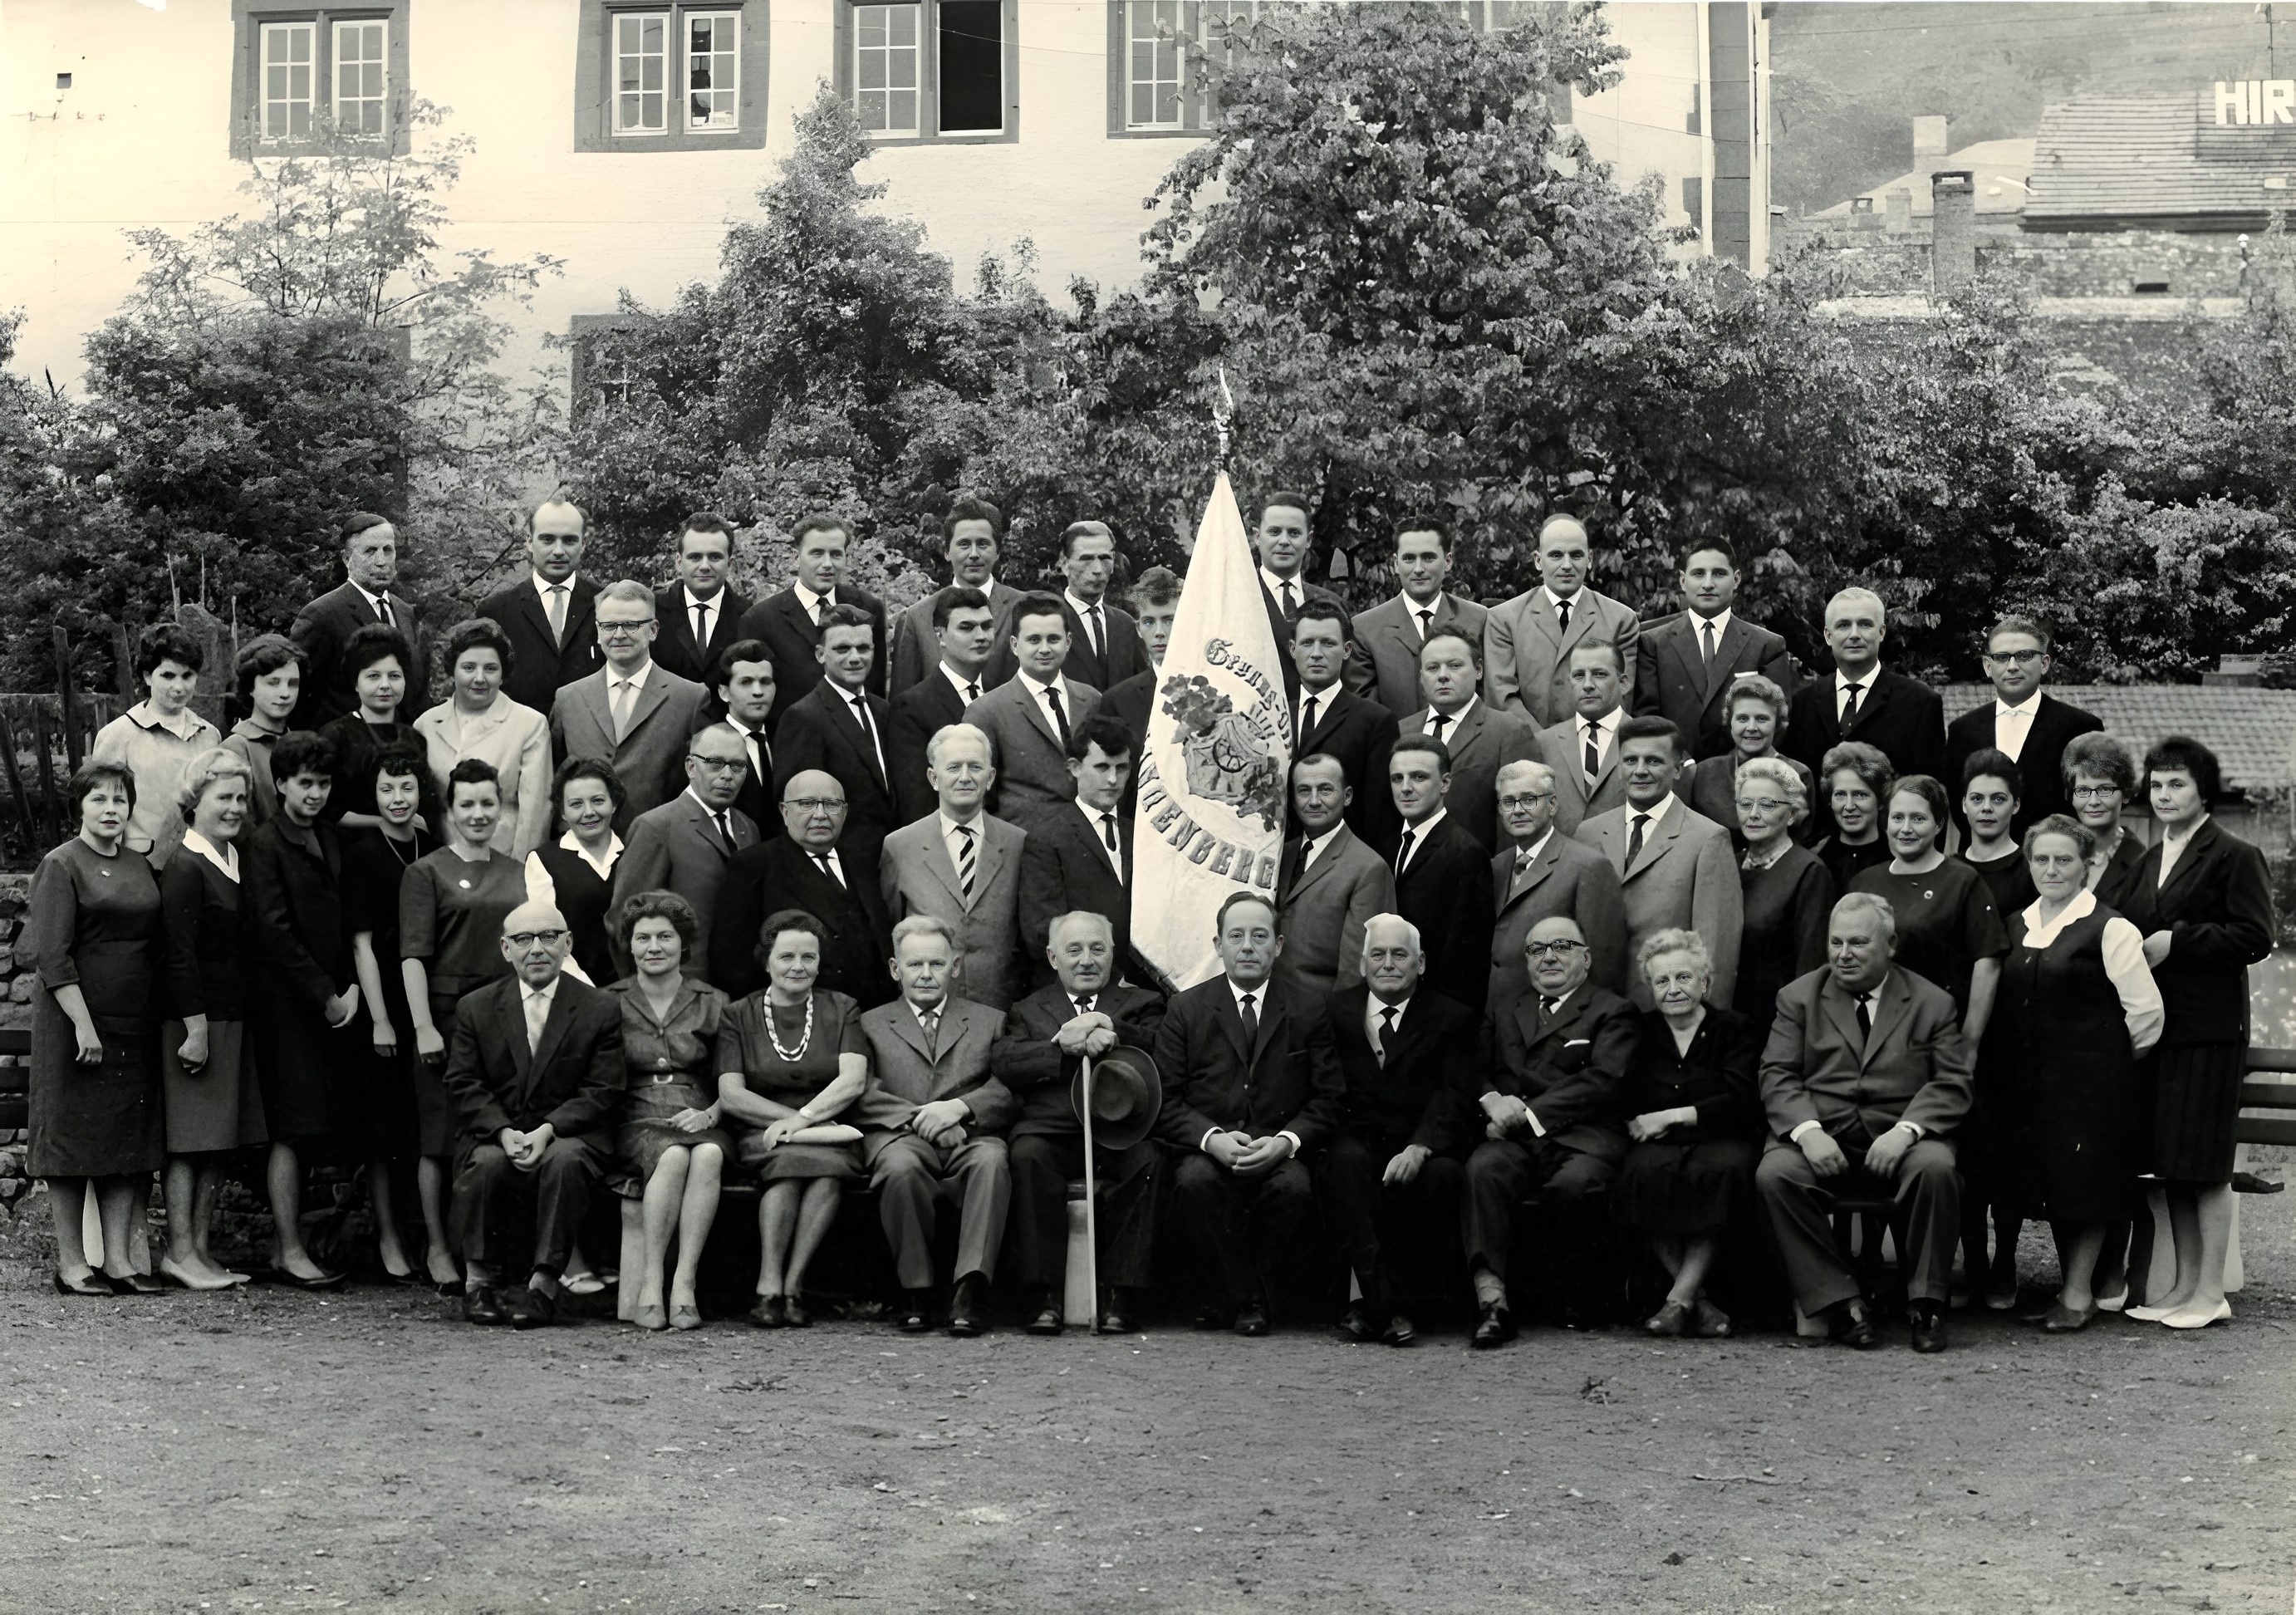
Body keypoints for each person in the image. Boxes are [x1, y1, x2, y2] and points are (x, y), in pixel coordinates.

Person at [1755, 892, 1973, 1354]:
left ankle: (1926, 1303)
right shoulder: (1798, 997)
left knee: (1936, 1168)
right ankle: (1841, 1301)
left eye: (1858, 943)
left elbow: (1953, 1082)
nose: (1843, 954)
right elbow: (1777, 1073)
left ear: (1890, 945)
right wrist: (1808, 1133)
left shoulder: (1932, 1002)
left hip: (1900, 1136)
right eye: (1835, 942)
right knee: (1776, 1173)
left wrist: (1907, 1131)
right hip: (1823, 1133)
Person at [2119, 737, 2276, 1330]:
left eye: (2177, 784)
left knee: (2206, 1166)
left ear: (2203, 790)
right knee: (2174, 1167)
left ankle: (2212, 1292)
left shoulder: (2235, 853)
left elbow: (2255, 936)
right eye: (2157, 785)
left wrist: (2178, 942)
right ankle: (2184, 1288)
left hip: (2210, 1032)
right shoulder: (2149, 858)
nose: (2164, 795)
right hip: (2162, 1030)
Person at [1984, 815, 2163, 1332]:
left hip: (2090, 1089)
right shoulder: (2015, 924)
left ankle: (2078, 1294)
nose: (2051, 869)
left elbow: (2146, 1014)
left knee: (2084, 1184)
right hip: (2023, 1086)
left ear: (2087, 865)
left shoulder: (2111, 928)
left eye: (2064, 860)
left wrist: (2103, 1064)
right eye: (2041, 859)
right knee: (2040, 1180)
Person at [1152, 892, 1345, 1334]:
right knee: (1193, 1183)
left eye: (1260, 936)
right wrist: (1212, 1139)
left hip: (1276, 1146)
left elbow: (1329, 1098)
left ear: (1278, 946)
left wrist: (1286, 1142)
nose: (1247, 947)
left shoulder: (1309, 1006)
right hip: (1210, 1147)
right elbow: (1166, 1099)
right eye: (1235, 936)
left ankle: (1233, 1297)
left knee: (1293, 1189)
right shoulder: (1186, 1008)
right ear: (1217, 945)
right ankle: (1249, 1300)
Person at [440, 900, 626, 1329]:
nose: (537, 949)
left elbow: (603, 1089)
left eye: (548, 937)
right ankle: (478, 1283)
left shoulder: (598, 1007)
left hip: (569, 1133)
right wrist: (502, 1131)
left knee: (565, 1161)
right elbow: (464, 1083)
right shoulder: (476, 1007)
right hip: (496, 1132)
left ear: (568, 944)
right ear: (506, 949)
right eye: (524, 939)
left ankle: (542, 1287)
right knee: (485, 1165)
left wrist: (549, 1129)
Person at [1458, 915, 1638, 1348]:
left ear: (1586, 958)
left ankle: (1579, 1298)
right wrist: (1491, 1099)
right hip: (1515, 1142)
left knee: (1574, 1185)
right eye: (1537, 950)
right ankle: (1492, 1302)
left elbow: (1604, 1081)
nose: (1549, 957)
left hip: (1583, 1138)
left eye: (1561, 946)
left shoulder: (1613, 1010)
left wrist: (1527, 1113)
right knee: (1482, 1169)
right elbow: (1470, 1065)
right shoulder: (1507, 1008)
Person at [992, 911, 1168, 1335]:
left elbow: (1164, 1047)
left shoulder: (1143, 1003)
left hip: (1122, 1132)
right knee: (1027, 1156)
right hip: (1051, 1131)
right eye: (1074, 950)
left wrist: (1113, 1029)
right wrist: (1061, 1048)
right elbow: (1006, 1060)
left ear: (1112, 954)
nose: (1086, 960)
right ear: (1053, 958)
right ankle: (1045, 1296)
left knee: (1150, 1161)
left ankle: (1119, 1295)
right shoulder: (1028, 1009)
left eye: (1097, 949)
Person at [27, 762, 166, 1295]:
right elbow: (52, 956)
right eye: (99, 800)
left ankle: (119, 1263)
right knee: (71, 1145)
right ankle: (72, 1265)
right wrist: (84, 1026)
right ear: (79, 808)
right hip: (76, 1025)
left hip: (133, 1022)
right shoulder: (61, 864)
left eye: (120, 800)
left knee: (125, 1142)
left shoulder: (138, 865)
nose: (111, 810)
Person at [400, 759, 528, 1289]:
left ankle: (494, 1250)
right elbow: (413, 956)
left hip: (505, 1020)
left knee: (496, 1132)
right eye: (467, 804)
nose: (478, 814)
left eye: (487, 803)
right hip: (446, 1019)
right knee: (439, 1137)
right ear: (450, 812)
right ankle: (438, 1247)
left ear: (501, 808)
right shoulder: (425, 872)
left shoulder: (519, 871)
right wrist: (423, 1026)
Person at [1320, 914, 1474, 1347]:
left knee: (1442, 1175)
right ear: (1362, 964)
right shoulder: (1334, 1011)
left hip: (1416, 1141)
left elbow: (1453, 1093)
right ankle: (1390, 1306)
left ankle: (1369, 1308)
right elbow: (1326, 1087)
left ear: (1420, 963)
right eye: (1378, 954)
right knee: (1345, 1164)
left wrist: (1420, 1147)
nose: (1388, 964)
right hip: (1356, 1139)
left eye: (1399, 955)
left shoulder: (1450, 1016)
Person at [857, 915, 1017, 1335]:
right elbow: (863, 1090)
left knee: (992, 1162)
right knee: (899, 1169)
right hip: (901, 1136)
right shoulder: (869, 1023)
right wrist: (927, 1119)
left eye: (937, 964)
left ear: (955, 967)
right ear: (896, 969)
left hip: (971, 1134)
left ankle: (969, 1289)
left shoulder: (991, 1020)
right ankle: (917, 1290)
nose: (926, 974)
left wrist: (961, 1109)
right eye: (915, 965)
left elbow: (1007, 1086)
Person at [241, 732, 361, 1289]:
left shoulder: (329, 835)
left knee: (314, 1124)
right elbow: (273, 932)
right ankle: (288, 1249)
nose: (315, 793)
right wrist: (325, 995)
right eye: (305, 783)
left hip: (329, 1002)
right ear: (282, 784)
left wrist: (349, 988)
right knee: (293, 1126)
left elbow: (340, 922)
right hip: (287, 1007)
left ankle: (286, 1245)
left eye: (324, 783)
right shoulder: (265, 843)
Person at [715, 909, 871, 1328]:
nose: (798, 966)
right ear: (766, 961)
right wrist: (798, 1123)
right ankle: (769, 1283)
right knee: (785, 1166)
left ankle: (793, 1285)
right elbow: (731, 1095)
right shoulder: (738, 1014)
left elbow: (853, 1080)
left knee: (827, 1173)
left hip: (828, 1124)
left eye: (809, 957)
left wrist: (805, 1120)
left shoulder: (843, 1008)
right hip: (764, 1126)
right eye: (786, 956)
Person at [155, 749, 268, 1289]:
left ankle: (199, 1251)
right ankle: (179, 1252)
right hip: (194, 1022)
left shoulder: (235, 857)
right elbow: (178, 955)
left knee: (217, 1141)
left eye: (241, 798)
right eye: (223, 797)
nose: (235, 808)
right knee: (189, 1141)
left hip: (232, 1018)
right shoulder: (184, 865)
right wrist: (196, 1030)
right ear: (194, 802)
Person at [1616, 930, 1764, 1338]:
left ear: (1705, 982)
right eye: (1661, 981)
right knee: (1640, 1174)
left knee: (1722, 1172)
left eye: (1683, 977)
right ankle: (1698, 1302)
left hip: (1722, 1137)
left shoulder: (1736, 1029)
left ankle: (1678, 1300)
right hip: (1658, 1144)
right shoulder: (1639, 1032)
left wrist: (1672, 1115)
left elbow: (1741, 1098)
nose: (1673, 989)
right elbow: (1628, 1096)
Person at [607, 891, 733, 1333]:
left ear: (684, 943)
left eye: (665, 936)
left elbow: (734, 1075)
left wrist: (711, 1114)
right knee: (675, 1154)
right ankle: (651, 1282)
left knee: (709, 1153)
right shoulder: (609, 1001)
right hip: (634, 1116)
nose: (654, 947)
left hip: (702, 1114)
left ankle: (684, 1282)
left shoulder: (714, 1001)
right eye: (643, 938)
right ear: (630, 945)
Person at [337, 742, 438, 1281]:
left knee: (421, 1124)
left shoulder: (431, 844)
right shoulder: (362, 854)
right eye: (386, 789)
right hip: (385, 1000)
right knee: (381, 1131)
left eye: (406, 787)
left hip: (428, 998)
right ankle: (388, 1235)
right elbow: (362, 945)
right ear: (373, 795)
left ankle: (427, 1233)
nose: (398, 798)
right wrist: (379, 1018)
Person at [1576, 718, 1744, 1009]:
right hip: (1595, 1009)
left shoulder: (1708, 839)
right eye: (1630, 760)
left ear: (1678, 770)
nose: (1640, 770)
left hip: (1667, 1010)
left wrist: (1701, 1025)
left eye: (1654, 761)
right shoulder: (1588, 833)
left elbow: (1716, 950)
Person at [712, 771, 895, 1006]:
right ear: (785, 812)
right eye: (806, 804)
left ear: (844, 812)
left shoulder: (863, 861)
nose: (820, 815)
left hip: (874, 1010)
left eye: (832, 804)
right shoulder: (754, 865)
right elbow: (732, 961)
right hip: (801, 1013)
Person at [1849, 774, 2008, 1042]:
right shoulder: (1863, 882)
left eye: (1918, 819)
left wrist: (1969, 1043)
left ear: (1939, 824)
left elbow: (1988, 963)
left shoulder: (1962, 880)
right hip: (1867, 1033)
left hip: (1935, 1034)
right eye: (1897, 818)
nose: (1906, 828)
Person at [880, 724, 1028, 1011]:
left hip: (1000, 1005)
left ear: (990, 778)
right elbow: (890, 932)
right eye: (954, 767)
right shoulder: (899, 846)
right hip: (927, 1007)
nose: (965, 777)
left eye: (975, 767)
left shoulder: (1016, 842)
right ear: (934, 778)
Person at [550, 581, 711, 832]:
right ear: (598, 631)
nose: (619, 634)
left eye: (631, 625)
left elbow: (700, 783)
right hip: (583, 843)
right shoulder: (568, 699)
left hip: (659, 843)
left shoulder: (690, 698)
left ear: (653, 630)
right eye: (609, 626)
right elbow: (554, 779)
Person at [1943, 616, 2102, 839]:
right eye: (2001, 658)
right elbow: (1958, 805)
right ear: (1988, 666)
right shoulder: (1962, 730)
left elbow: (2090, 804)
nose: (2012, 667)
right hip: (1979, 857)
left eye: (2024, 656)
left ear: (2044, 663)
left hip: (2053, 856)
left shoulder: (2081, 727)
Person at [1636, 541, 1796, 761]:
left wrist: (1729, 769)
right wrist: (1681, 765)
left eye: (1719, 574)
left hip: (1741, 773)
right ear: (1683, 580)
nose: (1708, 584)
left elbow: (1778, 720)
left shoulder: (1767, 646)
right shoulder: (1652, 642)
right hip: (1674, 772)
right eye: (1698, 574)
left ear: (1736, 579)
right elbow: (1646, 718)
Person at [1018, 716, 1147, 989]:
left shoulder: (1141, 833)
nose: (1113, 779)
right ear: (1075, 768)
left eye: (1121, 768)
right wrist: (1111, 977)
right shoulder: (1047, 836)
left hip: (1142, 988)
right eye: (1102, 767)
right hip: (1080, 986)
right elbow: (1042, 931)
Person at [1490, 758, 1628, 1004]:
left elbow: (1603, 966)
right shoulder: (1496, 867)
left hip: (1550, 1015)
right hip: (1493, 1012)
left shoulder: (1588, 866)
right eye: (1508, 802)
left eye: (1529, 799)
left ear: (1552, 805)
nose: (1518, 810)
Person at [614, 723, 760, 957]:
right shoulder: (656, 826)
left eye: (738, 766)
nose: (727, 775)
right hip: (682, 974)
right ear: (691, 767)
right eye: (715, 763)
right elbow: (624, 922)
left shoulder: (748, 828)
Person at [1484, 513, 1641, 728]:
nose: (1567, 565)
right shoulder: (1504, 619)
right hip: (1526, 745)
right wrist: (1545, 743)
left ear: (1590, 559)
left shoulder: (1621, 620)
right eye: (1556, 555)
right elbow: (1502, 697)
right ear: (1538, 561)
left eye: (1576, 555)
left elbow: (1619, 699)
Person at [412, 617, 552, 857]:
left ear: (503, 673)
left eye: (490, 668)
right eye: (469, 668)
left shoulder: (530, 724)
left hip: (504, 859)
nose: (479, 678)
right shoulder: (426, 725)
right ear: (452, 670)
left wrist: (520, 872)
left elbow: (535, 815)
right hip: (442, 860)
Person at [1393, 630, 1543, 853]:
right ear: (1421, 676)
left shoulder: (1509, 732)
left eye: (1454, 666)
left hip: (1479, 869)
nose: (1443, 676)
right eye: (1433, 668)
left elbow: (1520, 821)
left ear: (1478, 669)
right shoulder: (1399, 731)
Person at [734, 513, 891, 722]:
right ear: (796, 557)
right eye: (817, 553)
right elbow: (752, 697)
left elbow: (876, 687)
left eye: (836, 554)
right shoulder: (759, 620)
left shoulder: (869, 607)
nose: (827, 564)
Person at [772, 602, 898, 863]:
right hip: (841, 862)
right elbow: (798, 811)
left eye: (863, 648)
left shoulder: (883, 710)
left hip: (893, 857)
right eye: (842, 648)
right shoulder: (803, 717)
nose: (855, 658)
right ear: (820, 654)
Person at [91, 622, 223, 868]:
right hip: (141, 868)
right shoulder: (118, 735)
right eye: (168, 676)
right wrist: (109, 872)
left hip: (199, 866)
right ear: (148, 676)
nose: (179, 687)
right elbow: (103, 814)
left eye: (187, 676)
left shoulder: (210, 736)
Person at [1782, 587, 1945, 786]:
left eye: (1865, 624)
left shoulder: (1920, 703)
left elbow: (1929, 791)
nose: (1854, 634)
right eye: (1843, 625)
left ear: (1881, 632)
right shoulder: (1803, 702)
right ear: (1828, 635)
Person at [964, 593, 1101, 826]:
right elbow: (977, 796)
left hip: (1089, 835)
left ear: (1068, 642)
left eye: (1053, 639)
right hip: (1024, 838)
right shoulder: (986, 711)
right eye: (1034, 640)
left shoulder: (1091, 700)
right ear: (1015, 645)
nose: (1045, 649)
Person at [1385, 735, 1495, 1011]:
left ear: (1445, 783)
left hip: (1435, 1010)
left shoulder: (1467, 853)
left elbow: (1467, 956)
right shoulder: (1387, 845)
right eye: (1397, 778)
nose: (1405, 788)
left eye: (1418, 777)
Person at [1342, 518, 1490, 720]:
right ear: (1396, 564)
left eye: (1428, 558)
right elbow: (1364, 712)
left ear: (1447, 561)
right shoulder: (1364, 629)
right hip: (1394, 739)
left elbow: (1489, 699)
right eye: (1409, 559)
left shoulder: (1479, 619)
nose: (1418, 568)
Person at [1273, 754, 1396, 997]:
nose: (1314, 801)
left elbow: (1356, 973)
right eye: (1304, 791)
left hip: (1319, 1011)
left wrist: (1333, 1018)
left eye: (1325, 790)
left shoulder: (1369, 868)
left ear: (1347, 796)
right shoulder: (1279, 854)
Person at [288, 510, 420, 728]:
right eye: (370, 551)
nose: (381, 561)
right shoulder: (321, 614)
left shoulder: (405, 613)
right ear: (347, 559)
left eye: (388, 550)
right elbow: (295, 691)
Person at [1732, 755, 1836, 1031]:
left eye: (1767, 804)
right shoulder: (1729, 864)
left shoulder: (1809, 871)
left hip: (1775, 1020)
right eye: (1745, 804)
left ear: (1791, 814)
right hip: (1725, 1018)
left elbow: (1811, 967)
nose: (1754, 814)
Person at [474, 498, 602, 714]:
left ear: (583, 543)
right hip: (519, 731)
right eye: (548, 540)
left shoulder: (605, 604)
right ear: (529, 542)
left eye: (569, 540)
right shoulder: (496, 611)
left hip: (589, 731)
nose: (558, 551)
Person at [1289, 601, 1399, 846]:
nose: (1316, 653)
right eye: (1307, 643)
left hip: (1343, 859)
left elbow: (1380, 817)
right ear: (1293, 649)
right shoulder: (1276, 712)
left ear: (1347, 650)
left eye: (1328, 643)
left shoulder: (1375, 721)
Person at [888, 587, 998, 824]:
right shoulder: (912, 707)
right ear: (940, 636)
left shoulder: (1002, 693)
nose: (981, 636)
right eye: (966, 627)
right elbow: (916, 801)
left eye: (987, 626)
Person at [889, 496, 1022, 694]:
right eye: (964, 544)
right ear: (947, 552)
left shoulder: (1025, 608)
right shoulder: (916, 618)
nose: (974, 554)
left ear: (997, 552)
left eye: (983, 544)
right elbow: (903, 703)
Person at [524, 758, 627, 991]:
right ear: (562, 811)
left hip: (636, 988)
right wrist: (589, 993)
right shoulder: (543, 861)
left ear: (613, 803)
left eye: (598, 801)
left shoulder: (634, 852)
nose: (588, 812)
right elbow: (548, 939)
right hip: (574, 989)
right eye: (576, 804)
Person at [1683, 675, 1813, 842]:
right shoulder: (1705, 772)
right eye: (1742, 719)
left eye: (1762, 719)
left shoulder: (1798, 773)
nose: (1751, 727)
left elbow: (1801, 842)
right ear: (1730, 722)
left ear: (1777, 723)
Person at [315, 624, 419, 833]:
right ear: (356, 682)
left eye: (394, 676)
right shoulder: (334, 736)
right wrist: (382, 823)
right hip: (353, 846)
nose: (385, 685)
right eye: (373, 676)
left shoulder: (414, 732)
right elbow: (326, 810)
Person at [1253, 493, 1342, 700]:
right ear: (1257, 537)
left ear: (1308, 539)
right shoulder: (1238, 598)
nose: (1284, 541)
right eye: (1274, 532)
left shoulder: (1333, 604)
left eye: (1294, 533)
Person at [1538, 642, 1631, 838]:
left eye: (1599, 674)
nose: (1588, 684)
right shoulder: (1542, 743)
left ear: (1623, 683)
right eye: (1579, 675)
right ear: (1569, 683)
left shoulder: (1647, 740)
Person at [650, 513, 753, 688]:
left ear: (729, 563)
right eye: (695, 557)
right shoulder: (652, 612)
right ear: (678, 562)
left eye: (715, 557)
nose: (705, 566)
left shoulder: (749, 616)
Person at [1054, 519, 1151, 691]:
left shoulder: (1126, 624)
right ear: (1064, 564)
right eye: (1086, 559)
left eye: (1105, 558)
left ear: (1113, 563)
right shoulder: (1048, 622)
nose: (1098, 569)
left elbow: (1143, 689)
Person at [1097, 565, 1179, 761]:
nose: (1159, 632)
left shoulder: (1214, 687)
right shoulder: (1117, 701)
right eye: (1149, 622)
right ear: (1138, 629)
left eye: (1169, 621)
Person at [223, 633, 305, 826]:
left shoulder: (300, 743)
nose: (285, 693)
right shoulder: (236, 748)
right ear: (251, 688)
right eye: (273, 683)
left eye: (293, 684)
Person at [2063, 732, 2147, 906]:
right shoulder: (2054, 853)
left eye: (2105, 790)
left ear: (2125, 795)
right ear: (2071, 796)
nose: (2093, 801)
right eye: (2083, 790)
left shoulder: (2141, 863)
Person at [1956, 749, 2038, 922]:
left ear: (2015, 805)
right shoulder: (1948, 870)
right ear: (1964, 805)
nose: (1987, 808)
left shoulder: (2032, 871)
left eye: (1998, 799)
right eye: (1977, 799)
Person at [709, 639, 779, 831]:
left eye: (765, 682)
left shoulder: (787, 740)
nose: (758, 692)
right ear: (724, 692)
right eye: (746, 682)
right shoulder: (706, 746)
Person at [1810, 741, 1894, 894]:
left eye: (1860, 795)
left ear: (1881, 800)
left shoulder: (1898, 858)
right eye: (1840, 795)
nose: (1849, 806)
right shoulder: (1814, 857)